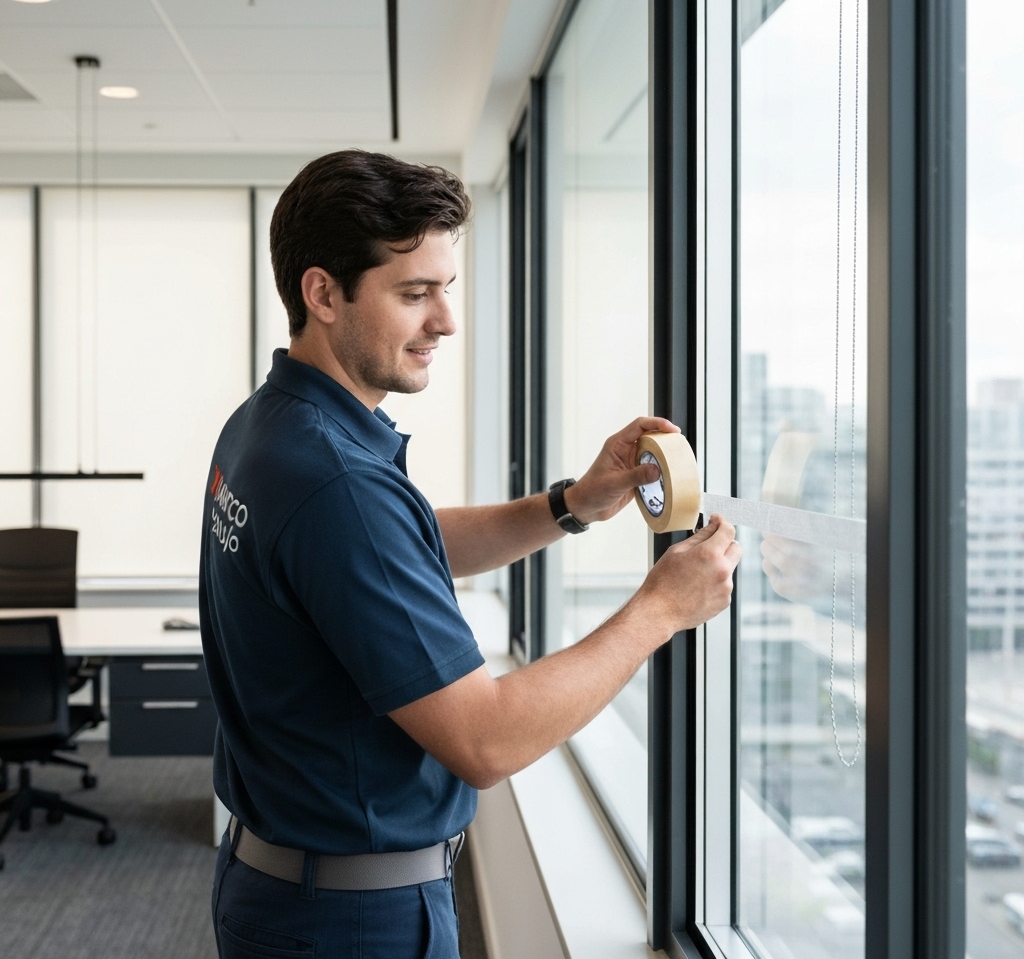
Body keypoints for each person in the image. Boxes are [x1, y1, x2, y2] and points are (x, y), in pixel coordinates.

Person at [200, 149, 741, 959]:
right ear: (323, 294)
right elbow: (487, 742)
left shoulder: (270, 425)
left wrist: (570, 504)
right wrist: (662, 609)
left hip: (283, 882)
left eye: (445, 289)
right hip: (351, 921)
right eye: (414, 293)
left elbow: (392, 553)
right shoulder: (337, 482)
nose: (445, 321)